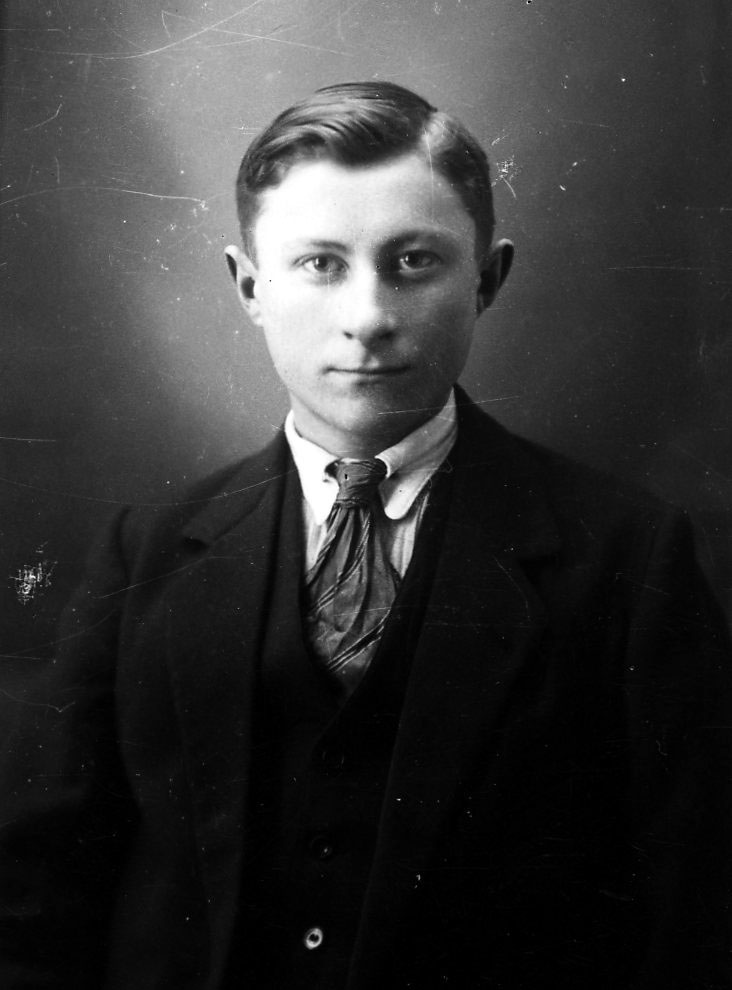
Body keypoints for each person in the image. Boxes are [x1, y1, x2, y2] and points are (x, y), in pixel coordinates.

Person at [1, 81, 730, 989]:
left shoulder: (625, 553)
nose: (369, 317)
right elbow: (33, 898)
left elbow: (697, 914)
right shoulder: (145, 552)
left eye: (414, 261)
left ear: (487, 279)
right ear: (249, 286)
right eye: (319, 264)